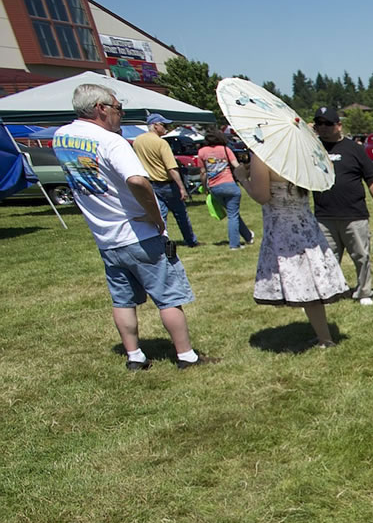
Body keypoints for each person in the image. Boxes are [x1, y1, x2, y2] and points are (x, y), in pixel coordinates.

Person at [54, 84, 211, 370]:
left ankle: (134, 356)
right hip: (138, 234)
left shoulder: (61, 137)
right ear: (101, 108)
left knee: (122, 301)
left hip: (105, 237)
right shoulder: (111, 141)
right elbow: (137, 180)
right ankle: (186, 355)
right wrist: (156, 216)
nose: (121, 116)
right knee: (168, 298)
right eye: (118, 109)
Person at [237, 151, 347, 348]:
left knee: (306, 284)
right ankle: (323, 335)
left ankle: (325, 338)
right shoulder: (298, 155)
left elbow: (262, 196)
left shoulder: (263, 155)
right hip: (306, 225)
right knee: (310, 283)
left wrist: (243, 179)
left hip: (284, 230)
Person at [309, 107, 373, 307]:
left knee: (361, 256)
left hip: (354, 214)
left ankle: (364, 291)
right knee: (326, 258)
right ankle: (329, 292)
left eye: (328, 123)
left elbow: (372, 181)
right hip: (324, 215)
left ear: (339, 125)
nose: (323, 128)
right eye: (319, 124)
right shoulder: (313, 149)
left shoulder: (355, 149)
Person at [131, 112, 198, 247]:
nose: (166, 128)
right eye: (164, 125)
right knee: (181, 214)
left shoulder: (137, 141)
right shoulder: (161, 143)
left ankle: (162, 240)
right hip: (166, 184)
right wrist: (182, 187)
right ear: (155, 125)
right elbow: (171, 167)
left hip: (150, 183)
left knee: (160, 215)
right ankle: (190, 240)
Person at [197, 128, 254, 249]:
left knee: (232, 213)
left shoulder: (201, 152)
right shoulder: (225, 149)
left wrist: (204, 187)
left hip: (214, 187)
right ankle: (234, 244)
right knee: (233, 215)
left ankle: (248, 236)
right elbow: (236, 166)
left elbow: (203, 173)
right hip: (229, 185)